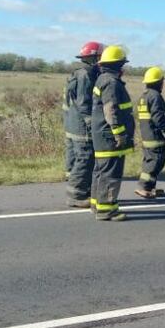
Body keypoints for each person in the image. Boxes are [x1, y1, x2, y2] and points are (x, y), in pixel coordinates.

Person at [90, 45, 135, 221]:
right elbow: (111, 110)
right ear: (118, 65)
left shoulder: (102, 79)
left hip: (101, 134)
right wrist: (120, 134)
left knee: (100, 171)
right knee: (111, 173)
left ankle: (97, 204)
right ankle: (106, 210)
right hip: (110, 137)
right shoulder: (111, 83)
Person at [63, 41, 103, 207]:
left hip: (72, 122)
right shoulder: (87, 74)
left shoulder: (79, 73)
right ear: (95, 57)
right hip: (81, 126)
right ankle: (77, 195)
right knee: (85, 157)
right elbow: (84, 103)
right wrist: (90, 123)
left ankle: (82, 189)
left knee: (77, 157)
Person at [135, 66, 165, 199]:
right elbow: (158, 117)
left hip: (146, 134)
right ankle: (144, 187)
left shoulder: (144, 96)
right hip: (154, 135)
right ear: (158, 82)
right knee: (156, 160)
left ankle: (151, 187)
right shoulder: (155, 96)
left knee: (150, 159)